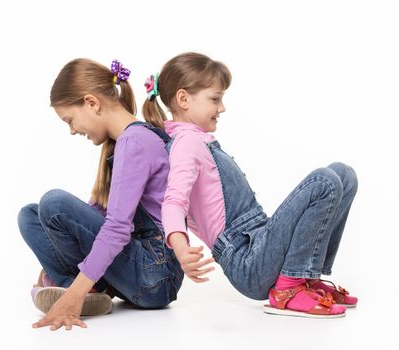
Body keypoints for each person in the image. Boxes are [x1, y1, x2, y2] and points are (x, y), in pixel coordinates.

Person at [142, 52, 358, 319]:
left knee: (343, 174)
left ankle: (306, 279)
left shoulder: (198, 140)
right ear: (184, 99)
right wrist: (180, 246)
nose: (221, 108)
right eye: (215, 99)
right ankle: (288, 290)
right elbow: (174, 200)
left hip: (259, 241)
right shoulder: (186, 144)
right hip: (247, 260)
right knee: (323, 181)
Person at [18, 58, 183, 331]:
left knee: (54, 203)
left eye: (70, 120)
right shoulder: (124, 142)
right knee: (31, 215)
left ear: (92, 103)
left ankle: (74, 288)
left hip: (155, 276)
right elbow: (96, 217)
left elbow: (117, 228)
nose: (72, 130)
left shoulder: (135, 142)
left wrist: (74, 296)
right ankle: (88, 286)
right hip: (140, 269)